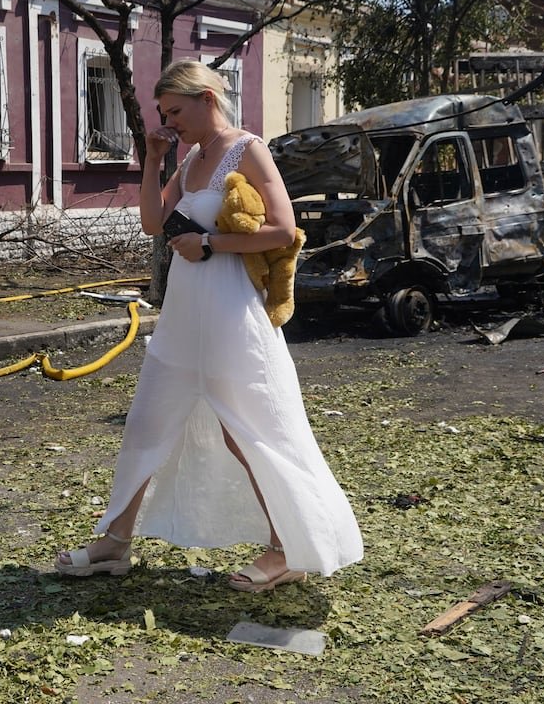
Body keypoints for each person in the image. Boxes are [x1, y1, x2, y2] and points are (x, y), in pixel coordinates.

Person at [54, 60, 363, 591]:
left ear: (207, 99)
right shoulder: (191, 157)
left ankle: (287, 548)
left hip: (230, 313)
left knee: (250, 431)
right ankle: (114, 544)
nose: (170, 122)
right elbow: (154, 222)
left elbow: (283, 229)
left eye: (176, 111)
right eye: (163, 114)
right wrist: (152, 161)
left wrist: (211, 243)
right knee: (147, 423)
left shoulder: (248, 148)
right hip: (183, 313)